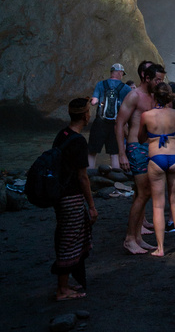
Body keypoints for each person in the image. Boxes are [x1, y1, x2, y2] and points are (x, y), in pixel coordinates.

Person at [115, 61, 165, 254]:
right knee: (144, 193)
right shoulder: (134, 96)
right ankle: (129, 238)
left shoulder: (155, 96)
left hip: (150, 147)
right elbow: (119, 124)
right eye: (157, 79)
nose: (160, 83)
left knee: (142, 193)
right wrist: (121, 153)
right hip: (136, 147)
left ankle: (137, 237)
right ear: (147, 78)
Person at [51, 98, 98, 301]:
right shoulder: (78, 141)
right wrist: (92, 205)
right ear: (85, 115)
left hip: (59, 195)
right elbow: (82, 176)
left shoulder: (62, 135)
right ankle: (62, 290)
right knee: (70, 240)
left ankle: (65, 283)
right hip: (71, 196)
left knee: (66, 236)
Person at [139, 81, 175, 256]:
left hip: (156, 157)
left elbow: (141, 138)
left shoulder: (146, 115)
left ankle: (160, 248)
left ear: (154, 96)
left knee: (158, 205)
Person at [88, 64, 131, 169]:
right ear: (120, 73)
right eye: (122, 73)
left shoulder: (100, 84)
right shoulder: (126, 88)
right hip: (117, 123)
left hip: (100, 121)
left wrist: (91, 101)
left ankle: (89, 175)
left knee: (92, 151)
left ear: (111, 72)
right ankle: (116, 177)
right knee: (114, 153)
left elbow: (94, 101)